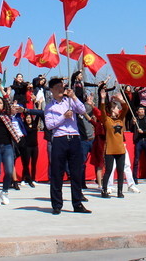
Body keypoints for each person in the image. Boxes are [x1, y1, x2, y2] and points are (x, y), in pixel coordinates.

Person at [44, 76, 92, 214]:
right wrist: (63, 117)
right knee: (57, 172)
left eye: (62, 86)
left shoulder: (70, 101)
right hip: (60, 139)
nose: (61, 89)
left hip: (74, 137)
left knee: (76, 172)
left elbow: (82, 110)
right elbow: (49, 125)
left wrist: (74, 97)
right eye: (57, 87)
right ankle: (57, 204)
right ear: (52, 90)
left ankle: (77, 203)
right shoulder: (49, 107)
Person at [91, 93, 129, 198]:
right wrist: (103, 99)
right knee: (108, 170)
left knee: (120, 171)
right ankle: (104, 190)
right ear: (112, 109)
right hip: (110, 150)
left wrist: (121, 100)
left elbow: (125, 109)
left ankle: (120, 191)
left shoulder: (120, 119)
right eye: (117, 108)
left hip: (120, 150)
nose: (118, 109)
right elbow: (102, 111)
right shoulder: (107, 120)